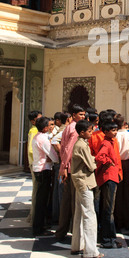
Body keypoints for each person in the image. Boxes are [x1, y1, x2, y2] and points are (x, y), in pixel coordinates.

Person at [70, 119, 104, 258]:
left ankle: (77, 245)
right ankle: (90, 252)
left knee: (79, 213)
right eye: (90, 131)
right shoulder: (82, 146)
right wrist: (99, 159)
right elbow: (91, 166)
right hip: (84, 182)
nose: (92, 133)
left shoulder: (81, 144)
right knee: (90, 215)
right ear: (82, 132)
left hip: (79, 182)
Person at [55, 104, 86, 242]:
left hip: (67, 167)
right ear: (73, 115)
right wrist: (65, 167)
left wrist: (63, 166)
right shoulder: (75, 129)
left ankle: (61, 231)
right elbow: (68, 150)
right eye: (80, 115)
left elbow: (62, 148)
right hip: (72, 168)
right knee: (74, 201)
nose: (83, 117)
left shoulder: (68, 127)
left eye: (84, 115)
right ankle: (75, 234)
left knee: (67, 201)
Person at [95, 120, 123, 249]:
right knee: (108, 209)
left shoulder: (112, 142)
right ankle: (107, 239)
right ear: (106, 132)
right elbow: (99, 157)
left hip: (111, 176)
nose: (115, 132)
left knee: (108, 209)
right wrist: (108, 162)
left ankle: (110, 236)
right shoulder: (106, 143)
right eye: (113, 130)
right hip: (108, 177)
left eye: (116, 129)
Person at [32, 116, 58, 236]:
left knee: (41, 199)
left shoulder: (37, 136)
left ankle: (39, 225)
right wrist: (57, 159)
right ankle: (39, 228)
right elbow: (52, 154)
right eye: (49, 125)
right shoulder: (43, 139)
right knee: (42, 200)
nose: (50, 127)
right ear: (44, 127)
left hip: (39, 168)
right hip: (43, 170)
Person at [114, 114, 129, 231]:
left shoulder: (115, 135)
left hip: (118, 163)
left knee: (118, 193)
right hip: (128, 163)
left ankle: (119, 220)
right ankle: (128, 220)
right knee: (127, 192)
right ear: (124, 123)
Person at [51, 112, 68, 223]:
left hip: (59, 163)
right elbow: (53, 141)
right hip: (61, 164)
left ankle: (56, 216)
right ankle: (60, 218)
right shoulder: (64, 130)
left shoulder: (62, 129)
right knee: (61, 190)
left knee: (58, 190)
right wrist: (62, 153)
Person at [27, 110, 42, 224]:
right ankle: (33, 217)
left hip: (37, 164)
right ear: (33, 121)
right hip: (36, 165)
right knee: (36, 191)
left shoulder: (38, 131)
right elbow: (31, 150)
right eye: (39, 119)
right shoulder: (34, 131)